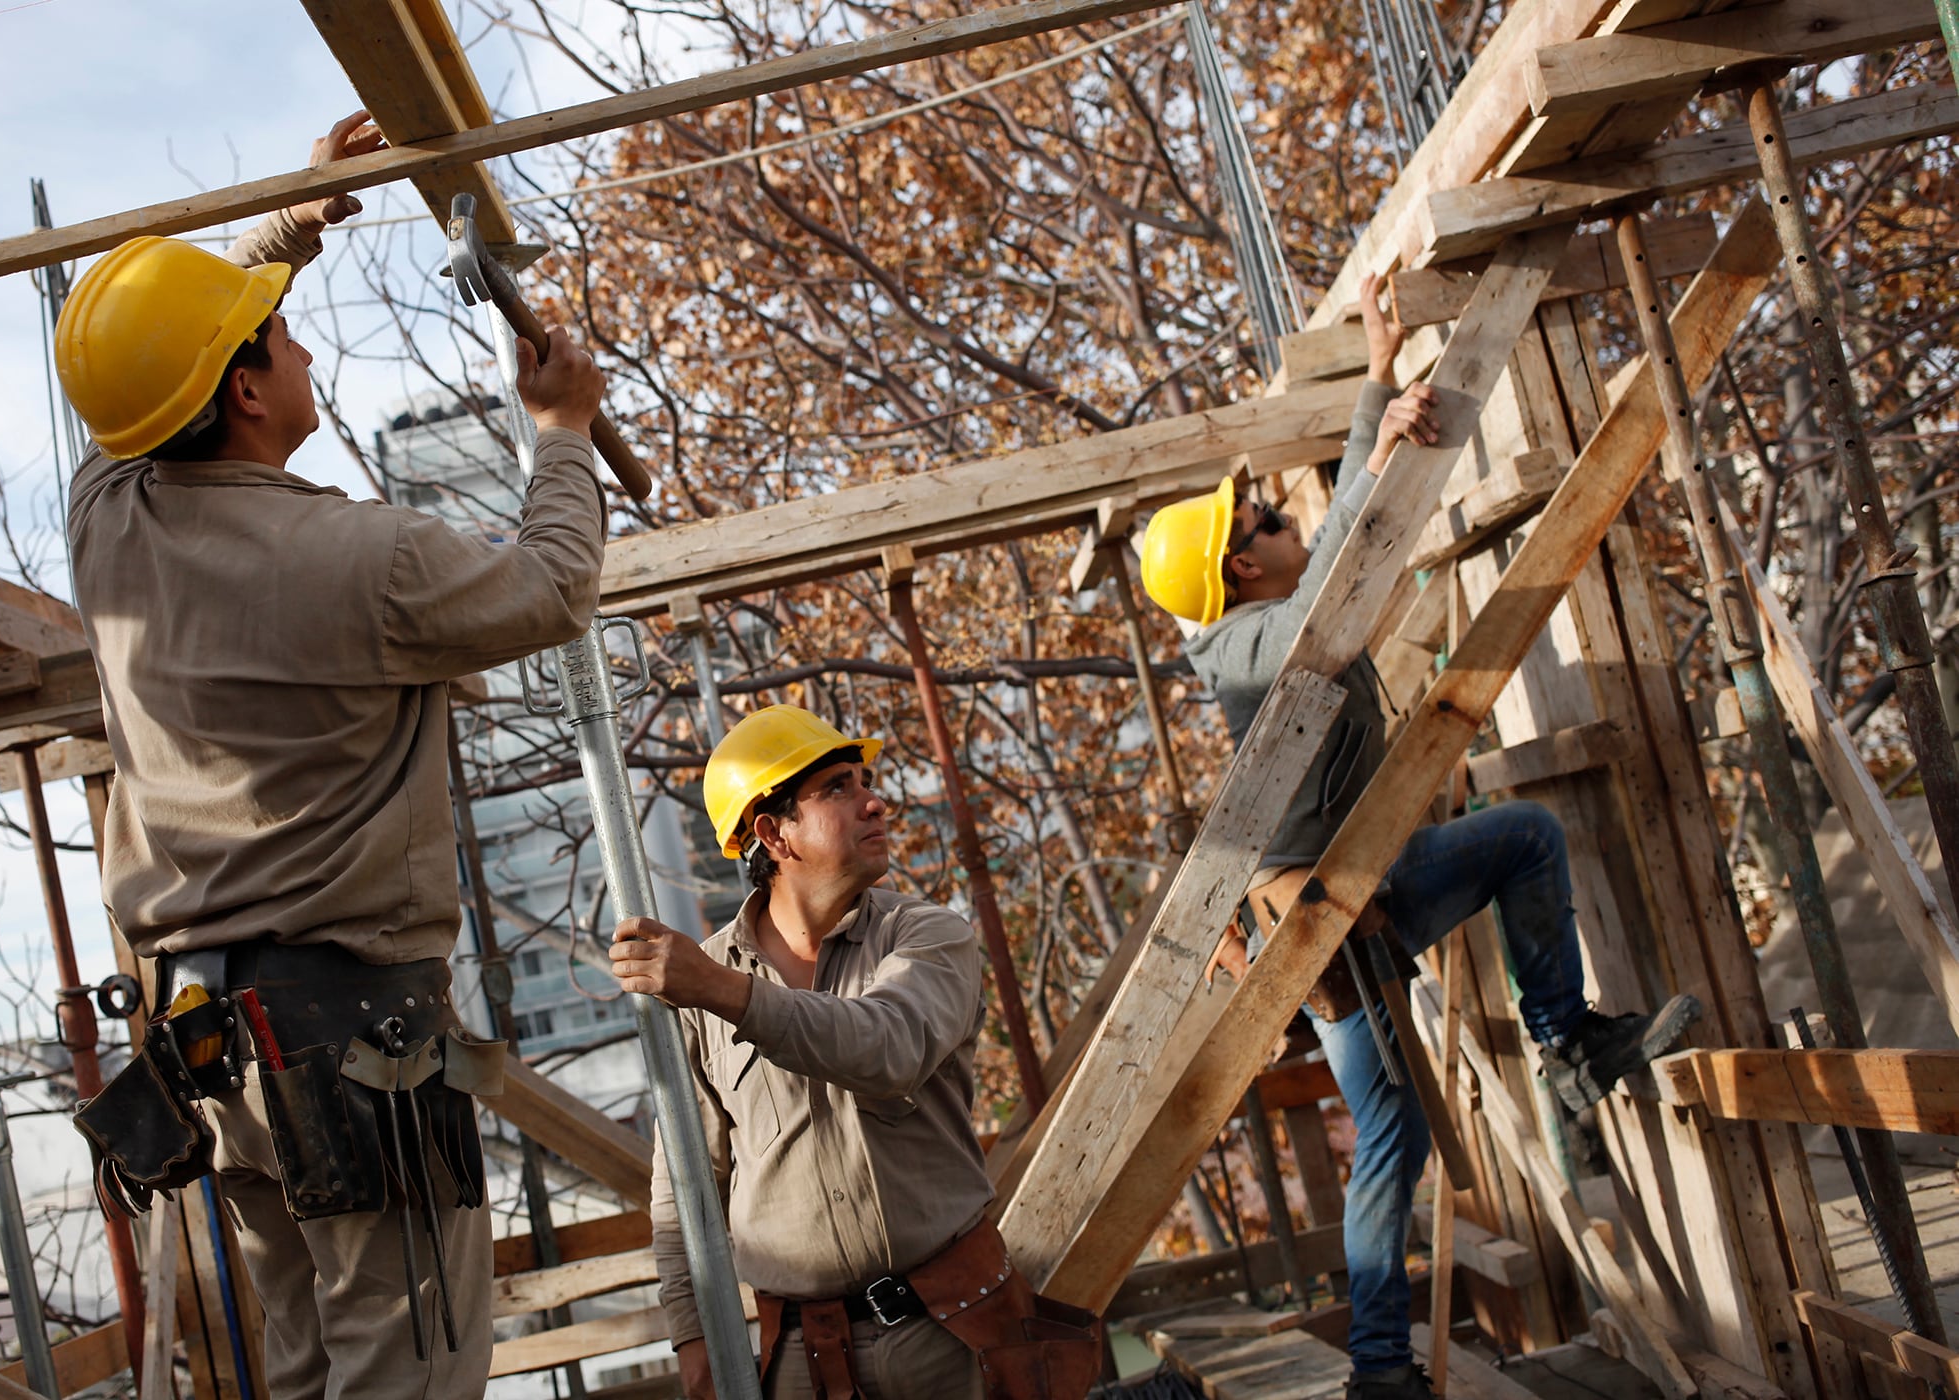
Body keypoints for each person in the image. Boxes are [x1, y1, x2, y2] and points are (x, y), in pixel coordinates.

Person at [58, 111, 610, 1399]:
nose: (299, 341)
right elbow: (549, 589)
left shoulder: (108, 527)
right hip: (352, 1041)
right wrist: (565, 430)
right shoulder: (366, 560)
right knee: (405, 1374)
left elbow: (143, 395)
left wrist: (293, 227)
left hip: (211, 1047)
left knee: (302, 1375)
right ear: (248, 391)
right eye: (282, 336)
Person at [1136, 278, 1698, 1400]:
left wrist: (1377, 387)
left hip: (1346, 903)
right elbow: (1331, 609)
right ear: (1243, 567)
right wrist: (1379, 416)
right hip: (1338, 913)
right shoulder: (1247, 645)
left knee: (1392, 1138)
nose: (1285, 518)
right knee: (1529, 838)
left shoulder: (1252, 626)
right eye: (1268, 521)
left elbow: (1341, 571)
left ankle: (1383, 1370)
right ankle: (1569, 1041)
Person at [611, 705, 1099, 1400]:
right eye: (839, 787)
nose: (876, 801)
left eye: (864, 780)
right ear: (772, 833)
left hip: (955, 1336)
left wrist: (724, 992)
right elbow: (686, 1183)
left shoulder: (927, 937)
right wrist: (693, 1338)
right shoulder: (703, 983)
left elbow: (887, 1046)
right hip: (801, 1362)